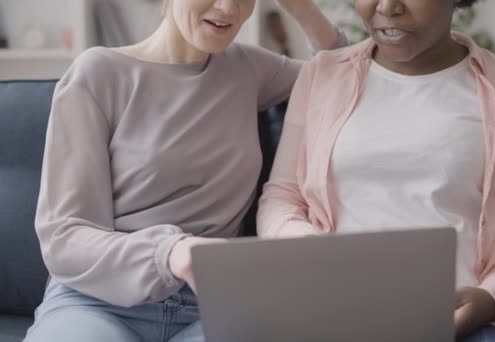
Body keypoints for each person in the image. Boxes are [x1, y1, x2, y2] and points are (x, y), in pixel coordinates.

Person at [24, 1, 343, 341]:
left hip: (212, 304)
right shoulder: (98, 73)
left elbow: (346, 74)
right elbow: (64, 236)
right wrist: (172, 252)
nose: (227, 8)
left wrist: (300, 7)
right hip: (98, 302)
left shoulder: (249, 68)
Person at [257, 0, 495, 341]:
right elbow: (281, 198)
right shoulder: (321, 75)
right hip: (337, 309)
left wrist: (494, 297)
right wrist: (313, 253)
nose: (387, 7)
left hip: (472, 322)